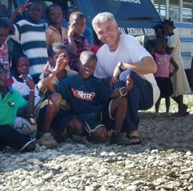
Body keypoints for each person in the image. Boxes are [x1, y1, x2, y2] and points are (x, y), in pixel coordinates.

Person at [92, 12, 160, 145]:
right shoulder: (101, 53)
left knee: (126, 75)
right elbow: (100, 81)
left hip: (147, 93)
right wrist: (111, 79)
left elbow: (152, 66)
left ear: (117, 27)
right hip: (121, 94)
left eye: (108, 29)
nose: (105, 35)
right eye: (100, 32)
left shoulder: (128, 41)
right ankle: (117, 129)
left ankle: (132, 130)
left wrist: (123, 66)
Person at [48, 51, 133, 145]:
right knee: (95, 133)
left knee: (122, 101)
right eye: (86, 65)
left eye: (92, 67)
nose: (88, 69)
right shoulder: (69, 82)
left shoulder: (95, 83)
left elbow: (110, 95)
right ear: (78, 64)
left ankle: (117, 134)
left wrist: (126, 89)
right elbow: (55, 92)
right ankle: (84, 135)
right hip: (81, 116)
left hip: (96, 114)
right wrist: (48, 78)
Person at [36, 43, 78, 148]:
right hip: (46, 111)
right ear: (50, 60)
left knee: (78, 127)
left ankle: (58, 133)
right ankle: (45, 133)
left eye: (65, 56)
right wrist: (54, 72)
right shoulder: (48, 74)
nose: (63, 60)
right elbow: (41, 87)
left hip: (63, 111)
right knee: (56, 97)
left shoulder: (72, 74)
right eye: (58, 57)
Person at [8, 0, 48, 83]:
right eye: (33, 10)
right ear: (26, 12)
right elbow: (7, 30)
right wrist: (16, 12)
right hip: (32, 73)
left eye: (38, 10)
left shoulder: (44, 27)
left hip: (46, 72)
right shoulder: (22, 25)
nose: (36, 13)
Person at [162, 19, 191, 116]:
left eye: (167, 28)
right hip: (174, 61)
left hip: (173, 62)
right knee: (176, 86)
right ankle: (181, 107)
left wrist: (163, 46)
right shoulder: (170, 37)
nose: (165, 30)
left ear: (172, 28)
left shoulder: (172, 38)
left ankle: (181, 107)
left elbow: (169, 51)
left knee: (175, 87)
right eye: (164, 28)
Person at [153, 38, 179, 117]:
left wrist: (172, 74)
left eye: (157, 46)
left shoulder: (168, 57)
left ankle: (167, 111)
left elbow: (176, 67)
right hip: (158, 79)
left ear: (163, 47)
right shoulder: (155, 55)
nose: (155, 47)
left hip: (166, 79)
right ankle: (156, 111)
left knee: (167, 96)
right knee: (158, 96)